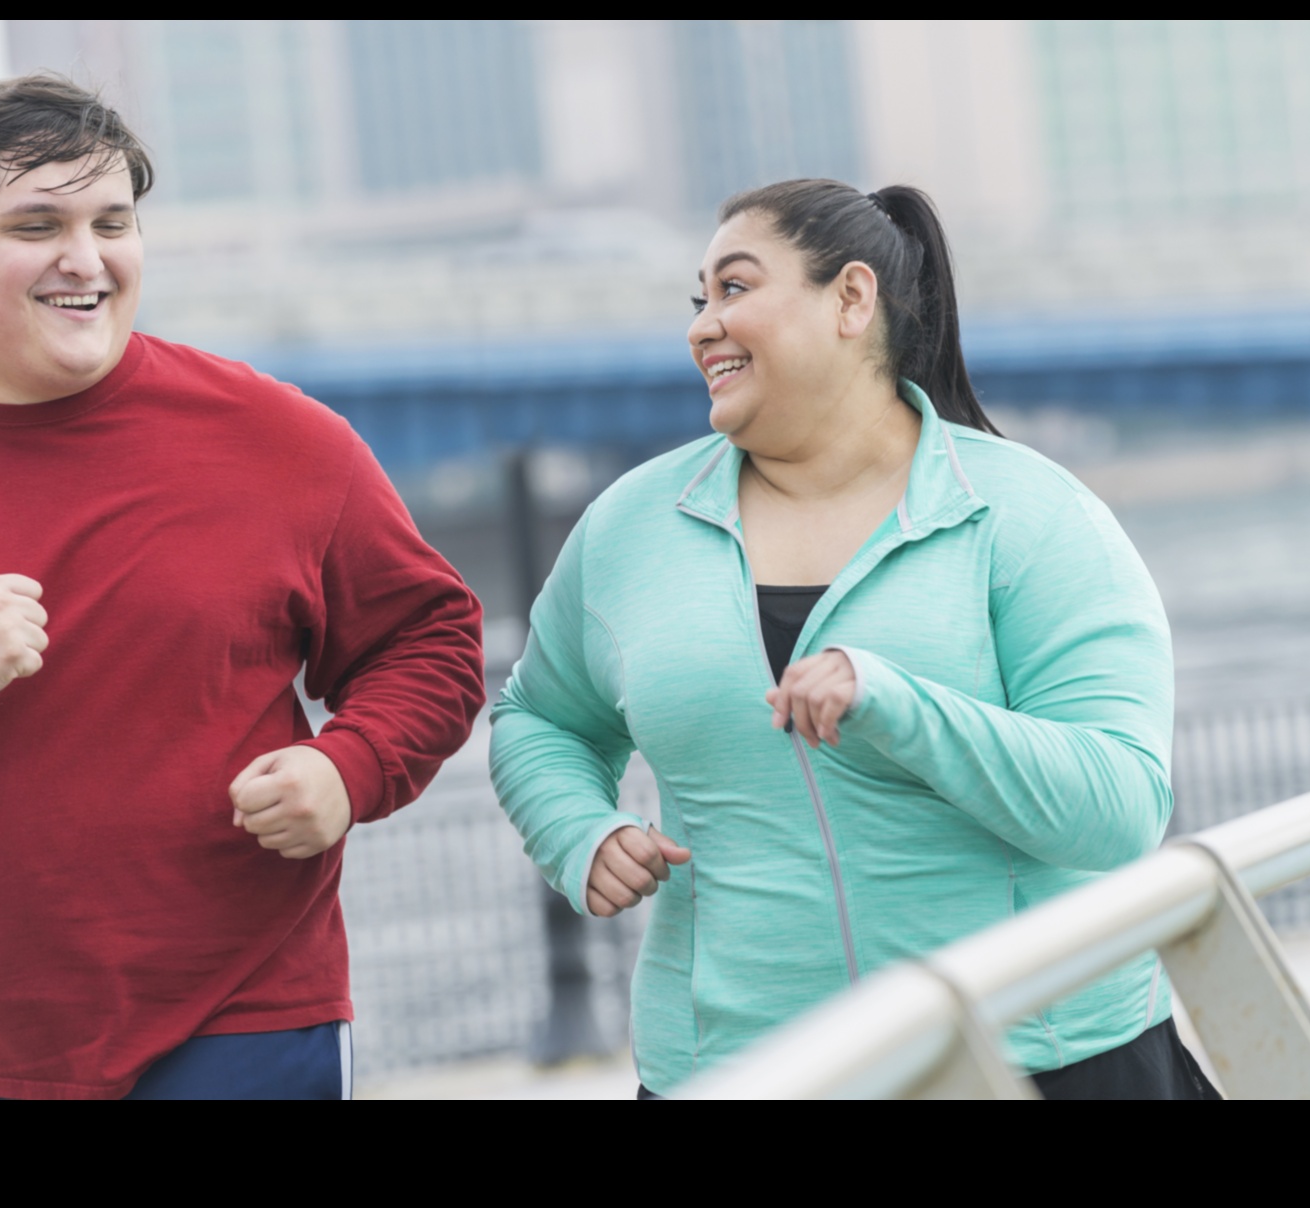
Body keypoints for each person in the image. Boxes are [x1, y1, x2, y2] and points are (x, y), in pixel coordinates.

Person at [490, 179, 1218, 1100]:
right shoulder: (630, 529)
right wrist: (579, 832)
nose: (704, 325)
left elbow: (1116, 809)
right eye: (699, 300)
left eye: (737, 288)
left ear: (851, 298)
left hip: (1040, 1058)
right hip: (746, 1073)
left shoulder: (1028, 516)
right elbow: (537, 719)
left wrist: (896, 705)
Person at [0, 74, 485, 1100]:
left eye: (113, 221)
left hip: (243, 1011)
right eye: (36, 223)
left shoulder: (281, 440)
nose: (85, 257)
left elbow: (433, 639)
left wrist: (348, 766)